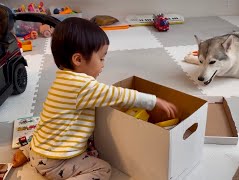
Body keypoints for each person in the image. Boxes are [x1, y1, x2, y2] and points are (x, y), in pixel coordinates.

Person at [12, 17, 178, 180]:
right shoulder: (84, 86)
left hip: (38, 150)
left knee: (50, 126)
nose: (103, 64)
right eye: (101, 58)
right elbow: (120, 95)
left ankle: (26, 152)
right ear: (78, 59)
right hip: (56, 162)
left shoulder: (61, 80)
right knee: (103, 169)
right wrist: (154, 101)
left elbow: (48, 122)